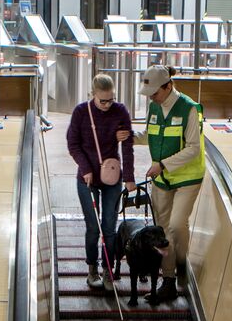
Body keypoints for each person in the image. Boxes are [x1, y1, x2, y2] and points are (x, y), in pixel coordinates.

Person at [133, 64, 203, 303]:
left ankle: (182, 263)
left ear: (168, 86)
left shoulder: (190, 109)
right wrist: (129, 137)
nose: (151, 97)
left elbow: (194, 148)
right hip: (162, 181)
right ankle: (169, 280)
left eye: (155, 92)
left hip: (187, 178)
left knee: (175, 225)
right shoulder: (154, 107)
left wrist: (162, 164)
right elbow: (151, 135)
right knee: (162, 232)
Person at [68, 74, 136, 290]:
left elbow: (127, 146)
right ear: (93, 95)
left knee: (109, 226)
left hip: (111, 177)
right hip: (86, 179)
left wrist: (129, 178)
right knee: (93, 226)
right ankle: (92, 269)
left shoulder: (120, 111)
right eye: (102, 101)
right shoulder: (81, 112)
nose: (107, 105)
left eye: (110, 100)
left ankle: (108, 269)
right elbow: (73, 143)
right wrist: (86, 169)